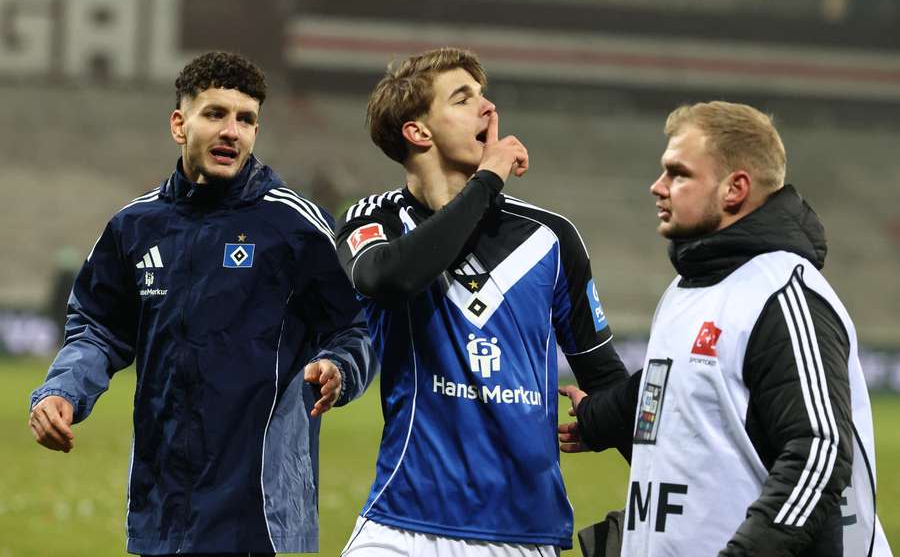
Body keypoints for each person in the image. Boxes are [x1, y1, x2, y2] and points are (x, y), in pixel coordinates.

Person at [28, 51, 376, 556]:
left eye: (246, 119)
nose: (232, 131)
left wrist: (340, 367)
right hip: (162, 508)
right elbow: (98, 329)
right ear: (179, 123)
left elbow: (358, 325)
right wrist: (62, 391)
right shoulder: (135, 226)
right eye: (215, 114)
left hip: (262, 511)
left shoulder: (296, 226)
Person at [559, 101, 892, 556]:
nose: (657, 187)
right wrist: (600, 418)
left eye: (678, 173)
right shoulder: (687, 287)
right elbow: (676, 382)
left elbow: (819, 450)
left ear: (735, 188)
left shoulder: (783, 292)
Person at [334, 47, 629, 556]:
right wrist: (487, 180)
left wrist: (673, 488)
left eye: (484, 96)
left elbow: (603, 376)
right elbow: (392, 278)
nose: (488, 108)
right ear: (418, 131)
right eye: (463, 98)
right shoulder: (374, 220)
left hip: (523, 532)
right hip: (403, 525)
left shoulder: (549, 236)